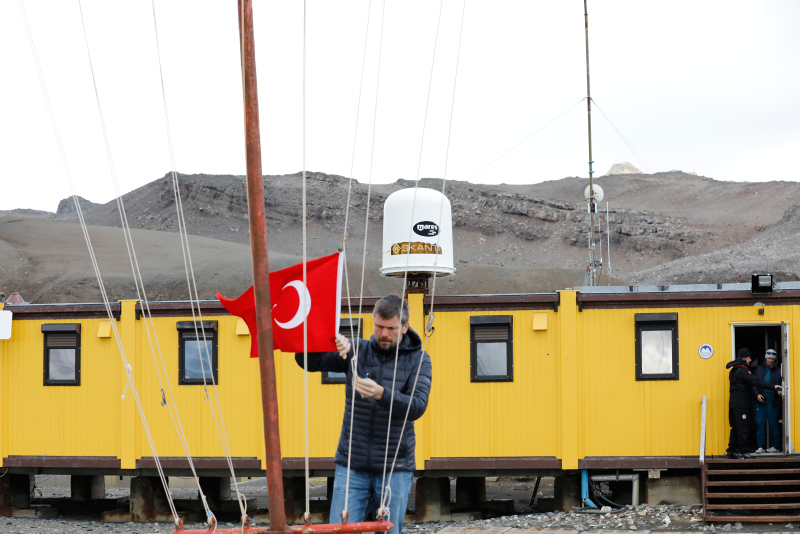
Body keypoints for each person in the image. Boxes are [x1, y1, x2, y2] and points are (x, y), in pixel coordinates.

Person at [295, 294, 432, 534]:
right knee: (338, 531)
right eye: (379, 326)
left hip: (395, 467)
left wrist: (381, 394)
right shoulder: (356, 350)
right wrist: (329, 341)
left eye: (391, 328)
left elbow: (417, 406)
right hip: (352, 464)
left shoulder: (419, 359)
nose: (384, 333)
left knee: (389, 532)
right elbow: (308, 361)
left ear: (405, 327)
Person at [726, 348, 781, 459]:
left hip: (733, 404)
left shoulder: (733, 371)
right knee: (743, 428)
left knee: (735, 428)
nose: (750, 360)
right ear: (745, 358)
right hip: (741, 405)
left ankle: (731, 451)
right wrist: (772, 387)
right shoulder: (743, 371)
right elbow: (756, 382)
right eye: (749, 358)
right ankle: (744, 452)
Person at [753, 349, 783, 453]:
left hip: (773, 402)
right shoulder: (759, 369)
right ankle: (760, 446)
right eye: (769, 358)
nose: (770, 360)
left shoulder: (779, 370)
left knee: (773, 424)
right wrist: (757, 394)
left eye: (772, 359)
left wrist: (780, 390)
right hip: (760, 402)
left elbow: (781, 384)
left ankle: (775, 446)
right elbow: (754, 383)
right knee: (760, 423)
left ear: (775, 360)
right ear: (766, 358)